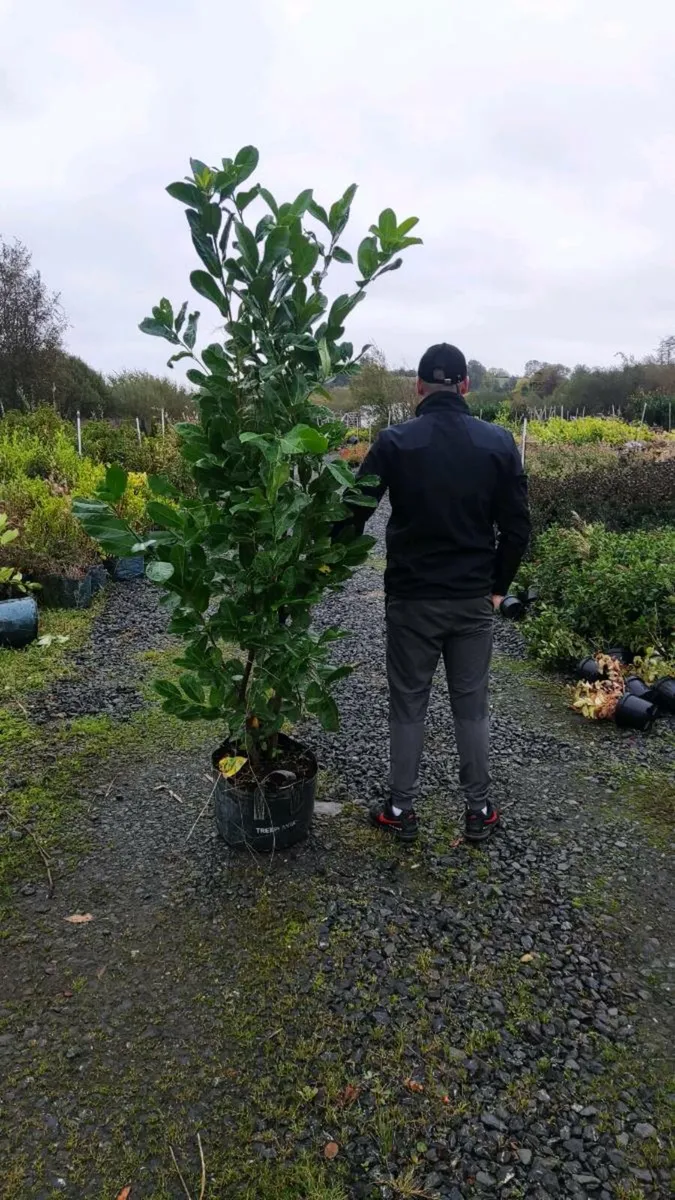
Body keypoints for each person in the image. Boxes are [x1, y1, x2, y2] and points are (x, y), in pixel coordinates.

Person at [337, 343, 531, 845]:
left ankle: (401, 808)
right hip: (471, 599)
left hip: (411, 600)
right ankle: (478, 809)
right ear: (465, 385)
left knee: (408, 703)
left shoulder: (394, 442)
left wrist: (318, 558)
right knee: (471, 705)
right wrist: (497, 589)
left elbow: (353, 514)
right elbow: (517, 529)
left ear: (418, 387)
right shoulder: (498, 442)